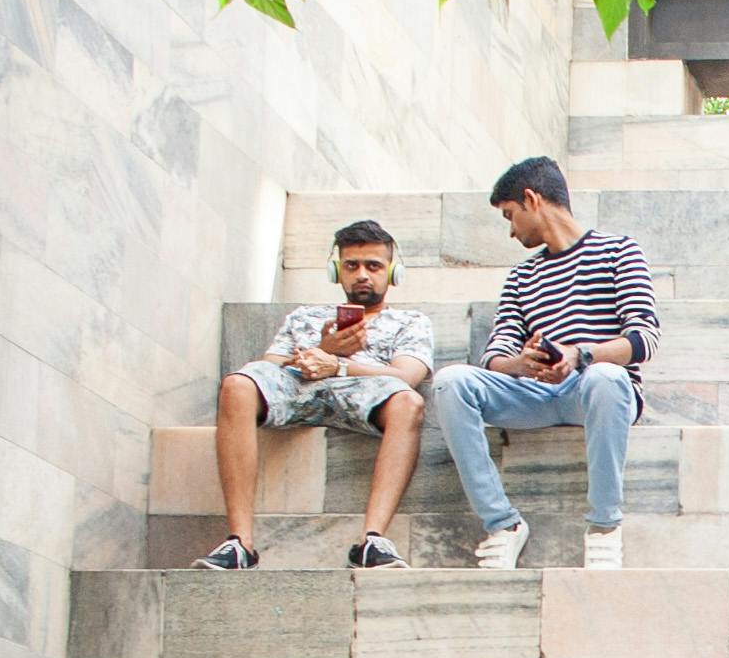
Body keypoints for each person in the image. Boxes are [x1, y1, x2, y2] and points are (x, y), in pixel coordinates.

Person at [429, 154, 656, 570]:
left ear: (532, 200)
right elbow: (493, 356)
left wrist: (578, 355)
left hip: (596, 391)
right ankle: (502, 525)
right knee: (451, 382)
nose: (511, 230)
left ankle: (604, 527)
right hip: (533, 392)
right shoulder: (521, 277)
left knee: (606, 376)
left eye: (510, 215)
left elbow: (643, 339)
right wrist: (523, 362)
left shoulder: (620, 250)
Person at [200, 218, 439, 570]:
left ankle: (372, 540)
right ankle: (240, 543)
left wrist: (338, 365)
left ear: (392, 272)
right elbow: (269, 367)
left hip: (366, 394)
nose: (362, 275)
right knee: (237, 384)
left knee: (409, 402)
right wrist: (320, 349)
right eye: (351, 265)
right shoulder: (305, 317)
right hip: (300, 388)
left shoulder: (411, 322)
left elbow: (406, 376)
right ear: (336, 271)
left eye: (373, 266)